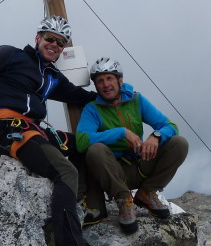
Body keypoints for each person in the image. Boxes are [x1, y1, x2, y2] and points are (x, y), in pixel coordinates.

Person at [0, 16, 122, 246]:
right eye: (49, 38)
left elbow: (81, 96)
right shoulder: (9, 55)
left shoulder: (51, 76)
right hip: (10, 127)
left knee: (83, 145)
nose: (54, 45)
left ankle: (83, 210)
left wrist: (115, 93)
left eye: (60, 42)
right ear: (37, 38)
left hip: (35, 130)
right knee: (65, 171)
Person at [76, 57, 189, 233]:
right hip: (116, 173)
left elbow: (171, 127)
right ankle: (124, 200)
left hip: (142, 163)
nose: (106, 85)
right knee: (95, 150)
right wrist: (121, 132)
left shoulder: (137, 100)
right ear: (96, 86)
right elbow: (82, 141)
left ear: (120, 80)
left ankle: (148, 192)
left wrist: (156, 136)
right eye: (100, 81)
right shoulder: (92, 109)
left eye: (109, 78)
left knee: (179, 143)